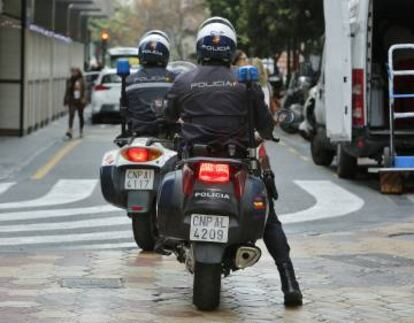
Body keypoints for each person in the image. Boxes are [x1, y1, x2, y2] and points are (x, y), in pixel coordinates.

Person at [165, 17, 303, 307]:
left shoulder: (183, 80)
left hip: (194, 159)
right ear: (231, 49)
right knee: (270, 218)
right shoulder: (246, 81)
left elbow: (167, 117)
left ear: (201, 47)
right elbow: (266, 129)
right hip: (235, 161)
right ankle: (289, 283)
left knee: (165, 177)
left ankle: (162, 237)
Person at [119, 30, 175, 139]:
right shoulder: (175, 79)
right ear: (165, 54)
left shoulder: (129, 80)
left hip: (137, 135)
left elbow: (124, 110)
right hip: (166, 136)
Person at [64, 68, 86, 139]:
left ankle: (81, 131)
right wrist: (65, 100)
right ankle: (70, 130)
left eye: (75, 72)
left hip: (80, 100)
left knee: (80, 115)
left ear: (78, 72)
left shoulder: (82, 80)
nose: (73, 73)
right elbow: (67, 91)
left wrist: (84, 98)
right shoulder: (69, 80)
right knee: (71, 114)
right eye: (72, 72)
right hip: (72, 100)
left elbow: (85, 90)